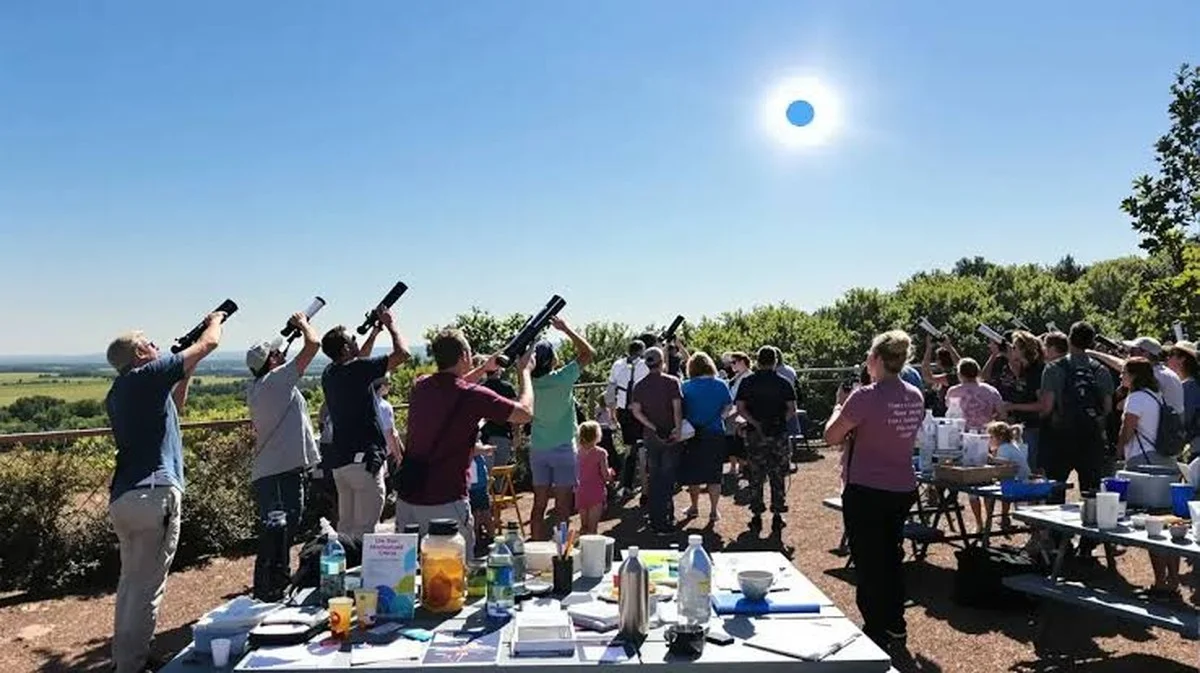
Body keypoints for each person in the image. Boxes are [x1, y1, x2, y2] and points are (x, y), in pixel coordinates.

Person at [105, 311, 224, 673]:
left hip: (126, 497)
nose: (157, 345)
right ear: (140, 354)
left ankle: (124, 658)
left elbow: (175, 406)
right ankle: (133, 665)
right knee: (148, 588)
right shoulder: (147, 375)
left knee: (130, 586)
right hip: (155, 493)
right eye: (150, 342)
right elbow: (211, 343)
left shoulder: (121, 391)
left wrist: (183, 370)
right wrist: (214, 321)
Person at [823, 330, 924, 651]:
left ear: (877, 359)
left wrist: (838, 408)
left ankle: (876, 627)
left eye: (869, 355)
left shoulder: (865, 396)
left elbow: (831, 436)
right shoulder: (914, 394)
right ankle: (895, 623)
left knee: (868, 561)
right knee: (891, 555)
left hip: (867, 487)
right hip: (901, 485)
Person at [397, 329, 534, 554]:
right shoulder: (474, 396)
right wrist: (525, 372)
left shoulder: (421, 385)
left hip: (408, 498)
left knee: (409, 574)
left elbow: (453, 387)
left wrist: (483, 369)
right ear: (464, 355)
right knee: (454, 574)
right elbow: (525, 413)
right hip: (445, 500)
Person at [244, 313, 322, 601]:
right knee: (278, 534)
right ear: (272, 361)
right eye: (276, 353)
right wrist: (302, 323)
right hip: (278, 473)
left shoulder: (262, 385)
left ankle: (274, 588)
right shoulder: (275, 381)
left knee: (280, 534)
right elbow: (313, 345)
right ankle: (270, 590)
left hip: (277, 471)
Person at [319, 309, 410, 538]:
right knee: (365, 532)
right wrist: (390, 325)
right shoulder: (357, 370)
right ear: (346, 348)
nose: (355, 341)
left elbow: (360, 360)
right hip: (364, 463)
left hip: (342, 463)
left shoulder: (329, 373)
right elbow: (402, 354)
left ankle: (343, 571)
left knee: (346, 529)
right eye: (352, 340)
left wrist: (374, 332)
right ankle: (362, 572)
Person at [1115, 357, 1183, 598]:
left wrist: (1118, 449)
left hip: (1144, 462)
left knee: (1152, 524)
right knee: (1168, 519)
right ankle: (1173, 580)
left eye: (1124, 372)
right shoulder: (1157, 396)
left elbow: (1128, 429)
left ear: (1134, 375)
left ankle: (1160, 582)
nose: (1121, 376)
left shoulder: (1136, 398)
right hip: (1165, 460)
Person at [528, 316, 596, 540]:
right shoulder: (563, 378)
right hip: (564, 448)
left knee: (539, 505)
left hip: (538, 448)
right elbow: (588, 353)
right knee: (563, 507)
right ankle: (560, 553)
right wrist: (566, 328)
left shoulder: (528, 384)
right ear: (551, 360)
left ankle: (535, 548)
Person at [1037, 322, 1114, 511]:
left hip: (1061, 436)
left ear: (1069, 340)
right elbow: (1107, 407)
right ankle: (1089, 536)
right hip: (1091, 436)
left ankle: (1057, 537)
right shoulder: (1100, 370)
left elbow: (1047, 406)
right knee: (1091, 491)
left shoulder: (1054, 368)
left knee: (1056, 488)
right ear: (1093, 343)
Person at [735, 346, 798, 530]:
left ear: (758, 360)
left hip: (755, 434)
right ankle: (777, 513)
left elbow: (740, 408)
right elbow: (791, 409)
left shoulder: (748, 382)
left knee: (756, 475)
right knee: (778, 474)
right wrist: (777, 423)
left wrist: (755, 423)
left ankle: (756, 514)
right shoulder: (784, 382)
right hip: (778, 434)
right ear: (775, 361)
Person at [631, 347, 684, 534]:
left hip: (651, 437)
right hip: (670, 436)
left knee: (654, 476)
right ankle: (666, 517)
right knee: (668, 478)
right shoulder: (672, 382)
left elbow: (636, 411)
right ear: (662, 362)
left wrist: (653, 427)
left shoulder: (640, 385)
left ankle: (655, 517)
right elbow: (677, 408)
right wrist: (676, 430)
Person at [679, 352, 733, 523]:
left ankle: (694, 506)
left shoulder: (685, 386)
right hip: (715, 432)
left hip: (692, 433)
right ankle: (713, 510)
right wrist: (720, 417)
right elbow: (728, 406)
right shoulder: (721, 385)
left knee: (692, 472)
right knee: (714, 473)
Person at [998, 331, 1047, 472]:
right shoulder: (1025, 369)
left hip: (1034, 426)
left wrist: (1013, 406)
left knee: (1030, 467)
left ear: (1024, 349)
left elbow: (1041, 404)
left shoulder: (1037, 371)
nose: (1011, 350)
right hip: (1022, 425)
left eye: (1014, 347)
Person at [968, 421, 1029, 531]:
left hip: (1018, 484)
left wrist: (991, 459)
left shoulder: (1004, 448)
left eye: (991, 437)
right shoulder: (1011, 445)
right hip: (1020, 481)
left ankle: (990, 523)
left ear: (1000, 437)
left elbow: (1004, 466)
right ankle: (1000, 519)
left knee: (985, 491)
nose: (989, 440)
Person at [607, 340, 650, 495]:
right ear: (642, 351)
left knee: (630, 448)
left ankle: (627, 485)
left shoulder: (617, 365)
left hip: (623, 411)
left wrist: (612, 414)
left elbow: (610, 391)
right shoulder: (646, 365)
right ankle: (646, 486)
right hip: (642, 411)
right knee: (644, 447)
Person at [944, 358, 1004, 431]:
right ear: (978, 372)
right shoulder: (991, 391)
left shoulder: (953, 392)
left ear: (959, 374)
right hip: (985, 433)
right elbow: (1002, 414)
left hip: (960, 433)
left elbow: (950, 412)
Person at [576, 420, 613, 535]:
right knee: (593, 528)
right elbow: (605, 475)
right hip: (596, 491)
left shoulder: (576, 452)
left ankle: (581, 548)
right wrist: (611, 473)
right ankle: (592, 551)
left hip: (580, 491)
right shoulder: (600, 453)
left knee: (584, 526)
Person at [478, 365, 518, 467]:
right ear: (498, 370)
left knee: (485, 473)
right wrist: (516, 434)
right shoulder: (507, 388)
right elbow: (515, 414)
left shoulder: (480, 388)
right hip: (502, 434)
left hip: (482, 436)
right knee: (499, 474)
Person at [723, 351, 753, 486]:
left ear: (742, 362)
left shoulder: (748, 377)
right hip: (732, 412)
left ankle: (741, 466)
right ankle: (735, 466)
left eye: (734, 362)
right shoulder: (737, 377)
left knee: (739, 441)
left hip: (740, 413)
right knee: (732, 440)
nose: (732, 365)